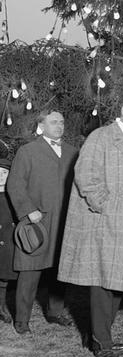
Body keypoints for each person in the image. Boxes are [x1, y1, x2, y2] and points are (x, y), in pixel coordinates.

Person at [57, 97, 123, 357]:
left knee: (117, 285)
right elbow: (85, 174)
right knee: (102, 285)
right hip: (105, 225)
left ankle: (99, 336)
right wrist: (106, 206)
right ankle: (102, 342)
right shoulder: (101, 136)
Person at [7, 109, 78, 334]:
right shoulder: (27, 152)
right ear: (41, 126)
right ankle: (21, 320)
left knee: (60, 270)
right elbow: (15, 185)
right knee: (30, 273)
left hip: (64, 222)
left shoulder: (73, 152)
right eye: (54, 122)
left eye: (62, 121)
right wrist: (28, 211)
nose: (59, 125)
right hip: (37, 223)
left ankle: (55, 312)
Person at [0, 158, 17, 324]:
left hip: (7, 239)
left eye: (4, 173)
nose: (0, 176)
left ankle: (2, 307)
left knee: (3, 276)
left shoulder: (13, 196)